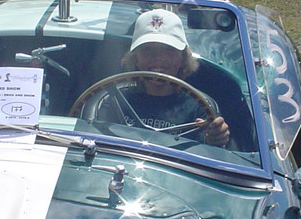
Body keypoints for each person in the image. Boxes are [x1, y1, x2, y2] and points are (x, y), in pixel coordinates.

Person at [97, 9, 231, 147]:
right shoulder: (116, 100)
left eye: (168, 50)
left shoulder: (199, 107)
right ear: (136, 58)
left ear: (183, 58)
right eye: (148, 50)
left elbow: (208, 152)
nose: (158, 58)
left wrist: (215, 137)